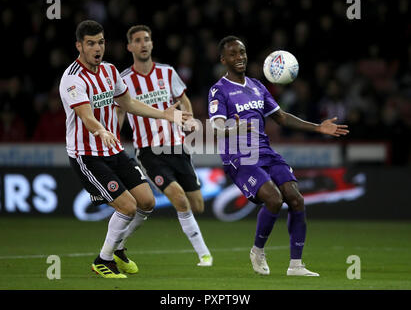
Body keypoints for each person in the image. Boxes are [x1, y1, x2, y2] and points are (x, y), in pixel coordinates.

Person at [59, 20, 191, 279]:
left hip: (114, 150)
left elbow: (128, 103)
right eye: (91, 43)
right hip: (87, 154)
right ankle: (103, 260)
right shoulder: (72, 78)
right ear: (79, 46)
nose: (97, 48)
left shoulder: (109, 71)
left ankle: (117, 249)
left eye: (101, 42)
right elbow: (86, 116)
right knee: (127, 207)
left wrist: (164, 115)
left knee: (147, 202)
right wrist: (100, 130)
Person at [208, 36, 349, 276]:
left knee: (296, 199)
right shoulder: (218, 90)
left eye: (242, 52)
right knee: (273, 199)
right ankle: (258, 250)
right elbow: (217, 127)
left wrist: (318, 127)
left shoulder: (257, 86)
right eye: (233, 54)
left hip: (265, 151)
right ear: (223, 60)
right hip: (240, 157)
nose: (239, 57)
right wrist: (236, 129)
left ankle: (296, 265)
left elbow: (281, 117)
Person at [117, 25, 213, 267]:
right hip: (149, 152)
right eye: (137, 40)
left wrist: (188, 115)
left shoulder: (167, 73)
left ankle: (119, 242)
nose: (143, 44)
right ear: (130, 47)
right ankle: (204, 255)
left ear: (152, 44)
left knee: (197, 205)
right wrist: (113, 135)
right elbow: (119, 111)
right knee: (179, 198)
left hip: (177, 147)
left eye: (146, 39)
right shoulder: (123, 80)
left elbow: (182, 98)